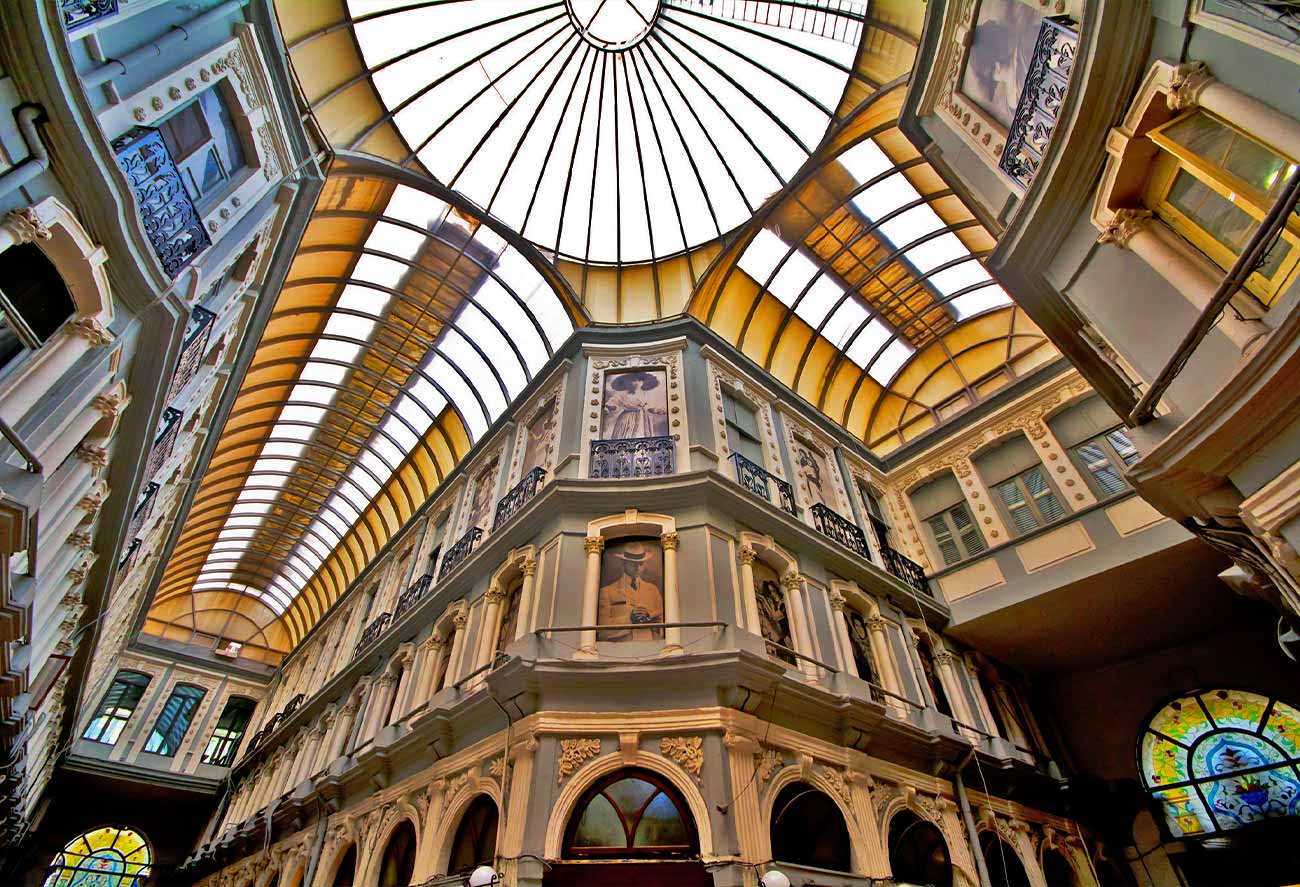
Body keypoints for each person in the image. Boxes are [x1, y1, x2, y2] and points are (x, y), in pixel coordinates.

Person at [597, 541, 664, 641]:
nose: (637, 568)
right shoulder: (607, 592)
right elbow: (601, 631)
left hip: (650, 648)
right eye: (633, 564)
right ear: (624, 563)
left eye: (641, 564)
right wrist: (629, 619)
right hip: (620, 652)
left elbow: (663, 628)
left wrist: (650, 617)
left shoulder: (653, 590)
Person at [603, 371, 667, 438]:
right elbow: (615, 401)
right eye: (633, 381)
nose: (637, 383)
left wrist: (657, 410)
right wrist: (610, 407)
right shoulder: (623, 394)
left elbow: (649, 406)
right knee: (627, 436)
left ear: (643, 382)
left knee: (642, 435)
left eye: (639, 380)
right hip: (628, 418)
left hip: (643, 419)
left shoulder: (646, 394)